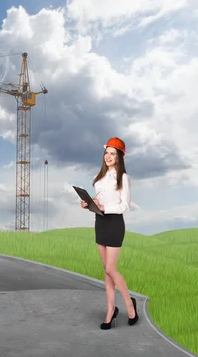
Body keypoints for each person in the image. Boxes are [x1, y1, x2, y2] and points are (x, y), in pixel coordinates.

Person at [80, 137, 139, 330]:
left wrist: (104, 206)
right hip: (100, 222)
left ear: (120, 156)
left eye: (112, 153)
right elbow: (100, 199)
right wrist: (90, 203)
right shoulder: (100, 179)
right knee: (106, 270)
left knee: (111, 269)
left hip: (114, 223)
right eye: (106, 153)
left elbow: (125, 205)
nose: (108, 156)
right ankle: (110, 310)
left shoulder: (123, 178)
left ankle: (130, 304)